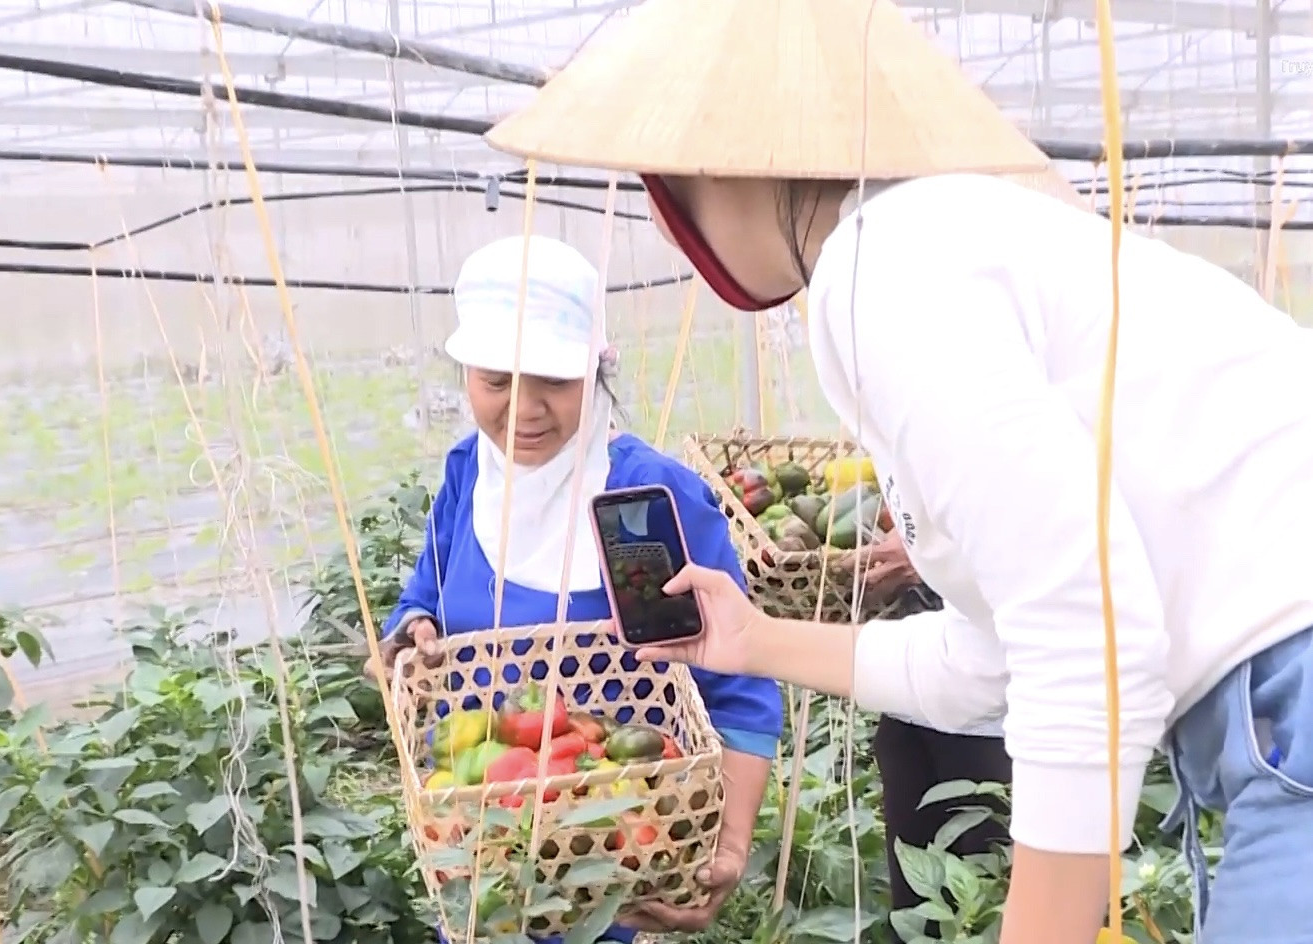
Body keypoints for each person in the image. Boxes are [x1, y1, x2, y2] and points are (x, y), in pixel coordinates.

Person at [482, 2, 1313, 943]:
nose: (667, 226)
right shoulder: (930, 250)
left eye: (658, 183)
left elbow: (1083, 634)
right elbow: (991, 661)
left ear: (715, 159)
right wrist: (754, 639)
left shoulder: (887, 270)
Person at [378, 234, 784, 942]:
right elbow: (425, 598)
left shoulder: (645, 501)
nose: (524, 410)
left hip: (618, 873)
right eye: (496, 383)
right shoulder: (470, 474)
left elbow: (740, 687)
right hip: (486, 866)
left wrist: (729, 847)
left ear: (596, 370)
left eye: (554, 382)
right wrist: (413, 630)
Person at [843, 534, 1013, 936]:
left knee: (999, 900)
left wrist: (941, 557)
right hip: (912, 705)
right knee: (919, 914)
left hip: (1001, 717)